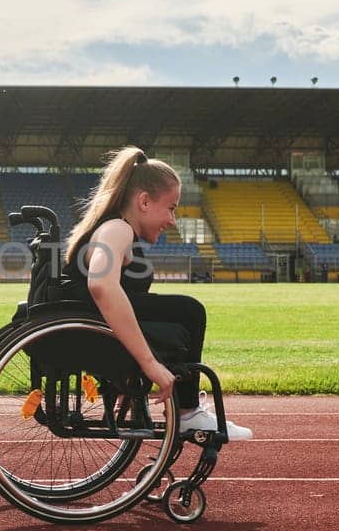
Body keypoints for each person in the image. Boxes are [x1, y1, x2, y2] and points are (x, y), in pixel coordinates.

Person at [61, 146, 251, 440]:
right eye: (171, 208)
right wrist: (149, 364)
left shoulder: (113, 227)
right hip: (87, 328)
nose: (173, 220)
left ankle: (188, 410)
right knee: (190, 311)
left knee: (184, 311)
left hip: (86, 321)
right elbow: (101, 284)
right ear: (144, 202)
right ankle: (188, 412)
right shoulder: (117, 229)